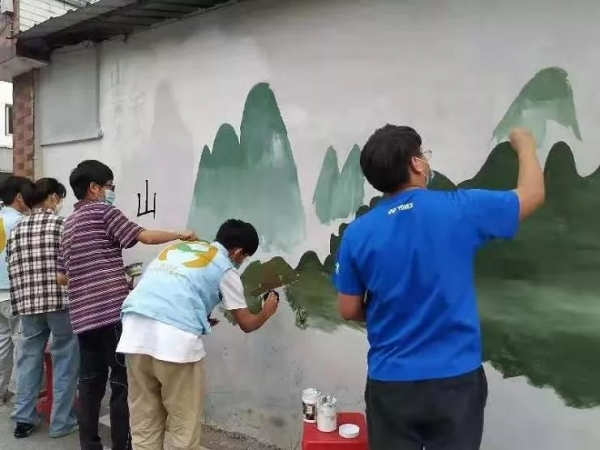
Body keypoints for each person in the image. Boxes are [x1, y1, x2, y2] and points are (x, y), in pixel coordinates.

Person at [333, 126, 545, 450]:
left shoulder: (357, 234)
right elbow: (532, 195)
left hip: (390, 381)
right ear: (416, 163)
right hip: (455, 381)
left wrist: (389, 312)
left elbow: (348, 309)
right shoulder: (460, 208)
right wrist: (526, 145)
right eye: (424, 155)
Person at [57, 160, 197, 450]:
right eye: (110, 186)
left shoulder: (68, 225)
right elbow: (143, 235)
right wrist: (180, 235)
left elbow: (62, 277)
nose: (111, 192)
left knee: (90, 385)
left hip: (83, 318)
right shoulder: (103, 212)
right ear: (94, 188)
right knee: (122, 383)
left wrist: (94, 274)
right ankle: (122, 445)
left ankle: (90, 445)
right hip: (111, 315)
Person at [117, 219, 279, 450]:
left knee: (145, 422)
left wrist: (197, 316)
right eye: (244, 257)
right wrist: (267, 311)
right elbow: (246, 323)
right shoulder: (225, 268)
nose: (241, 262)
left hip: (134, 335)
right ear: (238, 252)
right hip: (176, 346)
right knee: (183, 424)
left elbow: (170, 290)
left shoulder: (178, 248)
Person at [7, 178, 79, 438]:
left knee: (29, 359)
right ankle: (61, 422)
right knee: (65, 361)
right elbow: (73, 264)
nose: (60, 203)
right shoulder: (63, 225)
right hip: (61, 303)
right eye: (60, 198)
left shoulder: (17, 229)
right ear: (53, 197)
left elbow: (11, 264)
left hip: (28, 304)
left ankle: (23, 419)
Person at [0, 176, 33, 407]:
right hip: (15, 293)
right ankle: (22, 402)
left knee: (2, 345)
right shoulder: (22, 223)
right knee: (24, 349)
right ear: (20, 197)